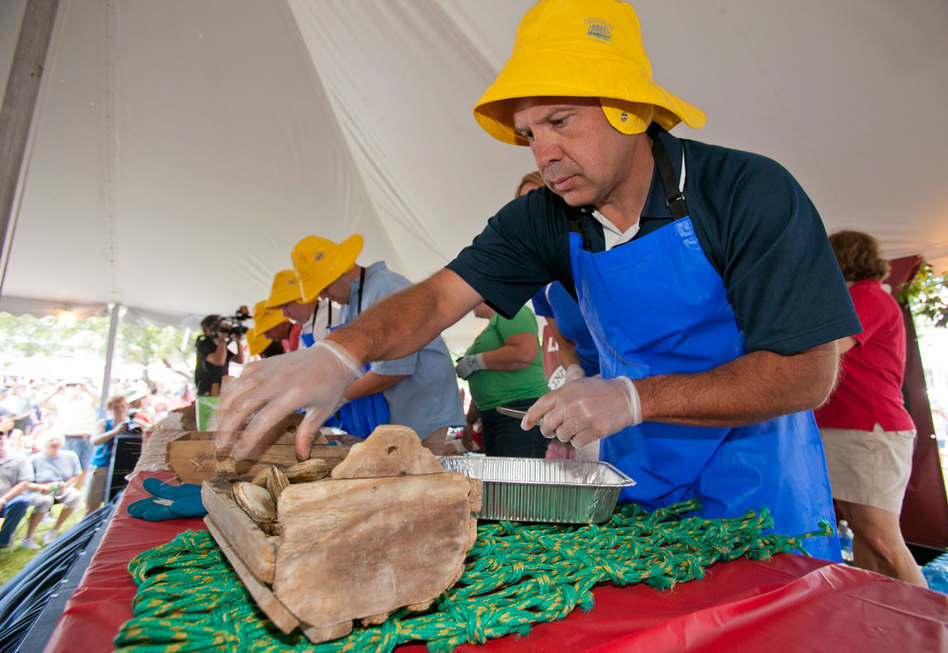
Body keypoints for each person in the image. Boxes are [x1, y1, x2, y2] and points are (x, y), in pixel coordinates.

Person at [218, 0, 860, 560]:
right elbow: (442, 295)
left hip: (759, 479)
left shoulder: (747, 193)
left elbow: (807, 373)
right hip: (635, 479)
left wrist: (635, 399)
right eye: (529, 133)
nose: (542, 153)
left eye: (560, 121)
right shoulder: (545, 219)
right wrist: (341, 351)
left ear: (630, 112)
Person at [814, 230, 928, 586]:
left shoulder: (866, 297)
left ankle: (934, 627)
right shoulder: (860, 297)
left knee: (881, 537)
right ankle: (879, 614)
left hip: (869, 430)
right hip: (851, 428)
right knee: (864, 533)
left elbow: (829, 348)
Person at [290, 234, 465, 452]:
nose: (324, 297)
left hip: (422, 410)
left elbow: (394, 371)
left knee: (418, 481)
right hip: (398, 412)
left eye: (324, 288)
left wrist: (337, 397)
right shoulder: (350, 300)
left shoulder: (386, 288)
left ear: (340, 270)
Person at [520, 170, 602, 460]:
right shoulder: (541, 284)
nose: (530, 215)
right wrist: (574, 375)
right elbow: (565, 346)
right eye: (522, 207)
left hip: (638, 389)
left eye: (538, 202)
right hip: (589, 400)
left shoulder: (600, 252)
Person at [457, 303, 551, 457]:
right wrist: (469, 421)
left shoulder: (513, 311)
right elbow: (489, 381)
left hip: (518, 410)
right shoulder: (492, 326)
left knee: (516, 479)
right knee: (499, 479)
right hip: (493, 414)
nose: (470, 303)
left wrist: (474, 362)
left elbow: (524, 352)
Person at [84, 395, 142, 515]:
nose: (119, 410)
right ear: (110, 408)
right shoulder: (104, 423)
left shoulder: (133, 423)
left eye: (122, 406)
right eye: (116, 407)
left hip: (122, 466)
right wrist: (114, 432)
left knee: (115, 503)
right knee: (92, 505)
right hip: (102, 465)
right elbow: (95, 441)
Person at [25, 431, 82, 545]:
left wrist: (65, 485)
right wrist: (42, 487)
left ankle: (54, 530)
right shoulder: (34, 459)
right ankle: (28, 537)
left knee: (75, 495)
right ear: (44, 444)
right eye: (51, 441)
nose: (55, 443)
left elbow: (75, 475)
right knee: (45, 500)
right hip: (39, 491)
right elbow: (26, 483)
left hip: (61, 490)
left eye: (57, 440)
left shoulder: (70, 455)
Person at [0, 431, 48, 552]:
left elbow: (24, 483)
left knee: (21, 502)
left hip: (10, 499)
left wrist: (3, 499)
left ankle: (2, 540)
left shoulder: (17, 458)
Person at [266, 269, 330, 349]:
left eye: (285, 306)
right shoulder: (307, 326)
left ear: (302, 298)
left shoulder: (328, 319)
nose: (284, 314)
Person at [194, 315, 245, 396]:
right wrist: (222, 339)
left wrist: (237, 341)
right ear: (207, 328)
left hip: (222, 390)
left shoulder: (221, 345)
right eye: (215, 325)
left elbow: (239, 360)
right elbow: (218, 361)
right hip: (207, 392)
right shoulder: (203, 343)